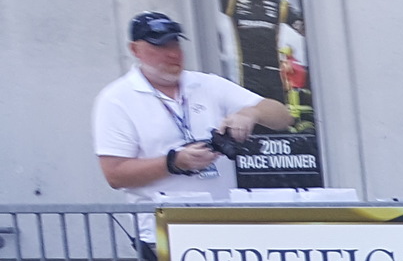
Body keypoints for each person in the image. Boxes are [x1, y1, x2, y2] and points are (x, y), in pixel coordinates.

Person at [93, 12, 290, 202]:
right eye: (160, 46)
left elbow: (283, 117)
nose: (172, 54)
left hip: (222, 223)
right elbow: (115, 175)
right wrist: (173, 163)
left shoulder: (208, 84)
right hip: (163, 229)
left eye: (175, 44)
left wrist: (251, 113)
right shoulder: (116, 99)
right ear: (135, 50)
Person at [213, 0, 304, 104]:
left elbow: (303, 27)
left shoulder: (278, 4)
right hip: (248, 76)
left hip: (274, 76)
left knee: (278, 123)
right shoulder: (235, 0)